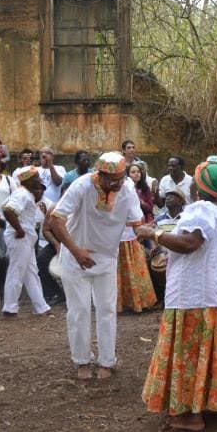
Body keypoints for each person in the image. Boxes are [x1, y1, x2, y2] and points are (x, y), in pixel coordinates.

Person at [138, 162, 217, 431]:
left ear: (199, 188)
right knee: (216, 350)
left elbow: (190, 244)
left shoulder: (200, 209)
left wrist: (154, 234)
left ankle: (190, 415)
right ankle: (216, 405)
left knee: (191, 351)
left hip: (196, 297)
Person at [51, 152, 142, 380]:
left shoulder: (127, 189)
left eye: (121, 178)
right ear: (99, 175)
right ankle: (82, 360)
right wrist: (76, 251)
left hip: (107, 257)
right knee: (79, 310)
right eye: (113, 180)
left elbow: (137, 224)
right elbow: (56, 220)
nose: (118, 184)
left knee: (107, 310)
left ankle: (106, 361)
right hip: (75, 257)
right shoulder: (82, 185)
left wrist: (158, 240)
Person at [0, 168, 52, 317]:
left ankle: (41, 306)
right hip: (20, 237)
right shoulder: (22, 193)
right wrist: (19, 229)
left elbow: (4, 206)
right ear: (27, 180)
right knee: (16, 270)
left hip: (26, 237)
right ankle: (10, 307)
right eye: (36, 177)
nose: (39, 180)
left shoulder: (22, 193)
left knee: (31, 272)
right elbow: (8, 210)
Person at [117, 164, 156, 314]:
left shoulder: (127, 186)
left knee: (132, 267)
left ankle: (137, 302)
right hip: (117, 236)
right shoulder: (104, 185)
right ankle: (122, 304)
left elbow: (136, 212)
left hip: (129, 233)